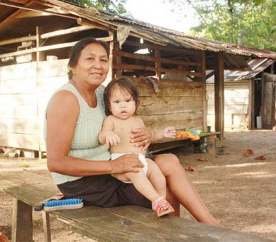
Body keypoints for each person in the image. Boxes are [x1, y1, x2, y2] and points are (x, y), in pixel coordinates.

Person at [45, 37, 220, 226]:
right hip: (85, 183)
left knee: (169, 161)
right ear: (72, 65)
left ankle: (212, 226)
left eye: (103, 60)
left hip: (112, 169)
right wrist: (113, 167)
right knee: (165, 190)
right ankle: (177, 236)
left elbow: (122, 123)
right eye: (90, 59)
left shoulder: (102, 92)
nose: (98, 65)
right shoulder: (65, 99)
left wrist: (146, 135)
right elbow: (55, 162)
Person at [98, 77, 176, 217]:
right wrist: (108, 134)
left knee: (157, 172)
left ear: (136, 102)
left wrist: (162, 134)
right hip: (123, 163)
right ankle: (156, 200)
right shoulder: (110, 120)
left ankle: (161, 198)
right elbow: (102, 135)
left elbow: (149, 138)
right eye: (117, 102)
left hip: (142, 160)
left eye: (128, 101)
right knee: (137, 175)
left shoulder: (138, 120)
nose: (123, 106)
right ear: (109, 106)